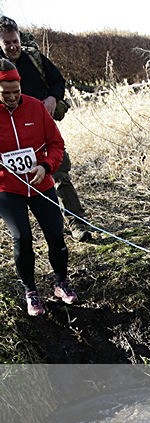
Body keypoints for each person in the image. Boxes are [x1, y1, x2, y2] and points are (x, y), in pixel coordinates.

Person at [0, 16, 92, 242]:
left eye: (15, 41)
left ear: (19, 38)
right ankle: (38, 228)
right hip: (8, 138)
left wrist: (52, 98)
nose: (12, 47)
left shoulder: (34, 58)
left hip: (41, 131)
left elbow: (58, 81)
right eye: (7, 43)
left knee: (59, 172)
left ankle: (77, 223)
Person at [0, 58, 77, 316]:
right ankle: (30, 291)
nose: (11, 97)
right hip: (8, 188)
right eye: (5, 93)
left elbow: (56, 143)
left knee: (56, 234)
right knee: (22, 237)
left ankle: (61, 283)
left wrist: (46, 167)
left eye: (15, 91)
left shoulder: (35, 108)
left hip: (41, 183)